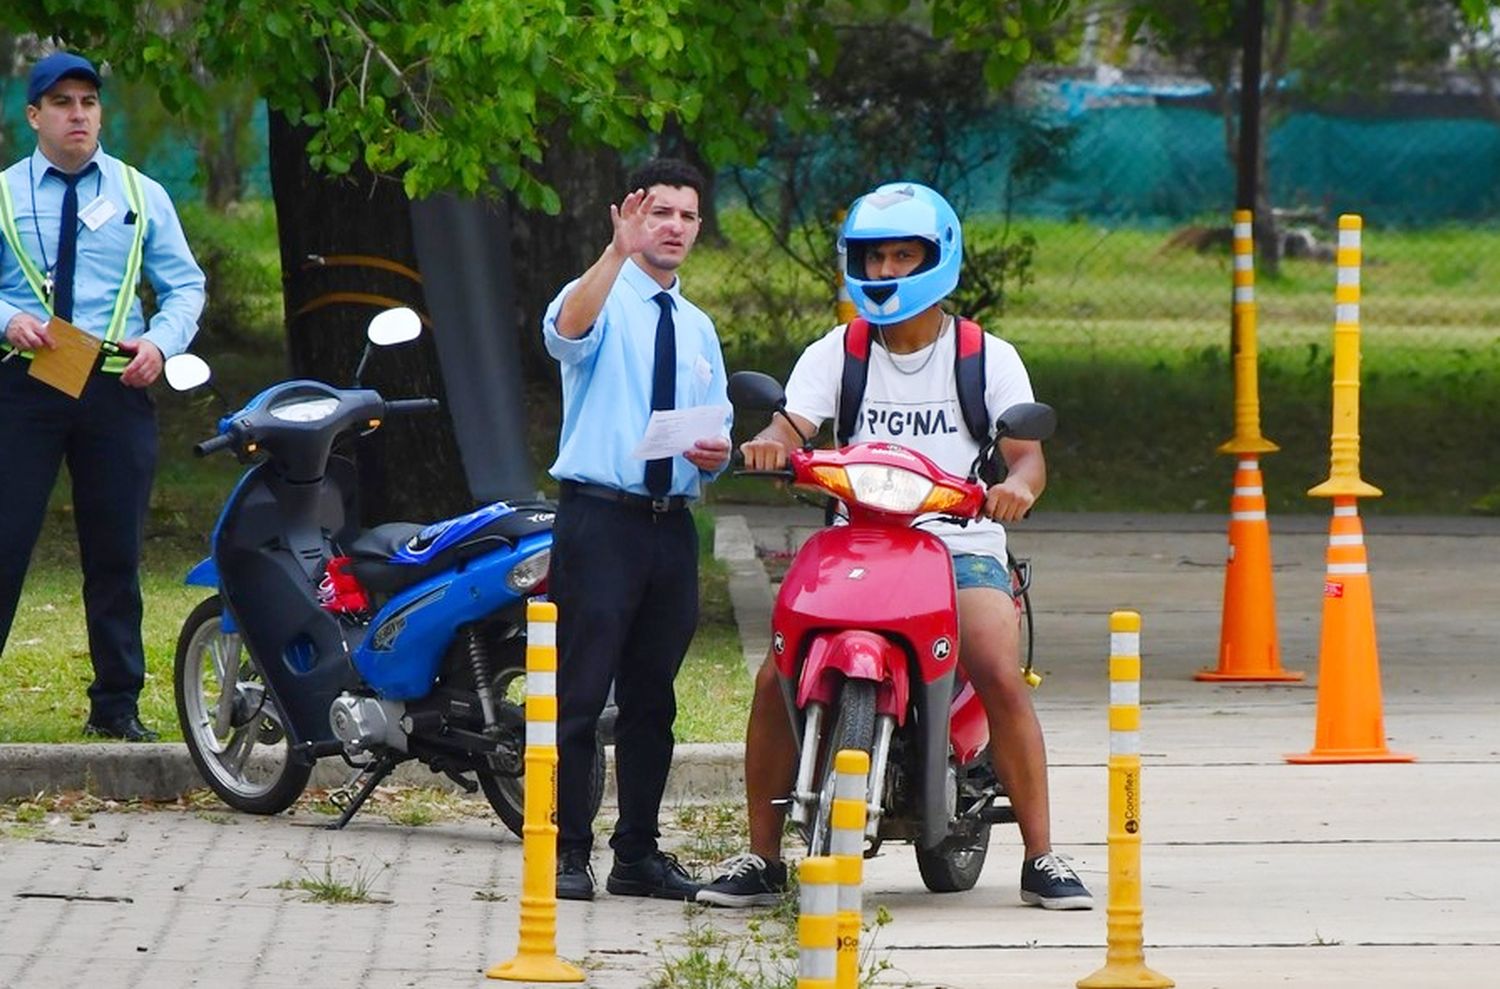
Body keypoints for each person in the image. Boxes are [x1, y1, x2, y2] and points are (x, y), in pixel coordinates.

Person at [697, 181, 1094, 910]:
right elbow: (791, 427)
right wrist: (766, 444)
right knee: (771, 676)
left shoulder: (984, 355)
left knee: (997, 667)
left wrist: (1019, 488)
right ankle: (759, 856)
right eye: (872, 258)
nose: (884, 273)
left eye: (902, 256)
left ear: (938, 259)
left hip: (960, 543)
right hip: (859, 539)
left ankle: (1043, 854)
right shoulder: (839, 351)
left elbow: (1027, 455)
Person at [541, 158, 732, 901]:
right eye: (660, 213)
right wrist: (614, 253)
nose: (674, 227)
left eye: (686, 216)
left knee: (653, 699)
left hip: (668, 528)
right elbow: (564, 333)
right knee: (582, 693)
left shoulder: (698, 327)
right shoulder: (601, 294)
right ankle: (565, 850)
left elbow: (713, 422)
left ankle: (638, 853)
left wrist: (716, 451)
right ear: (631, 217)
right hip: (601, 521)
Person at [0, 52, 206, 742]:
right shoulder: (3, 193)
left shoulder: (140, 193)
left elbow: (184, 286)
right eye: (61, 102)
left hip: (114, 383)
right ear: (34, 116)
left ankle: (116, 703)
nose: (78, 114)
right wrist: (7, 318)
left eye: (88, 101)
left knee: (114, 550)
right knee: (5, 540)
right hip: (23, 383)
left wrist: (161, 344)